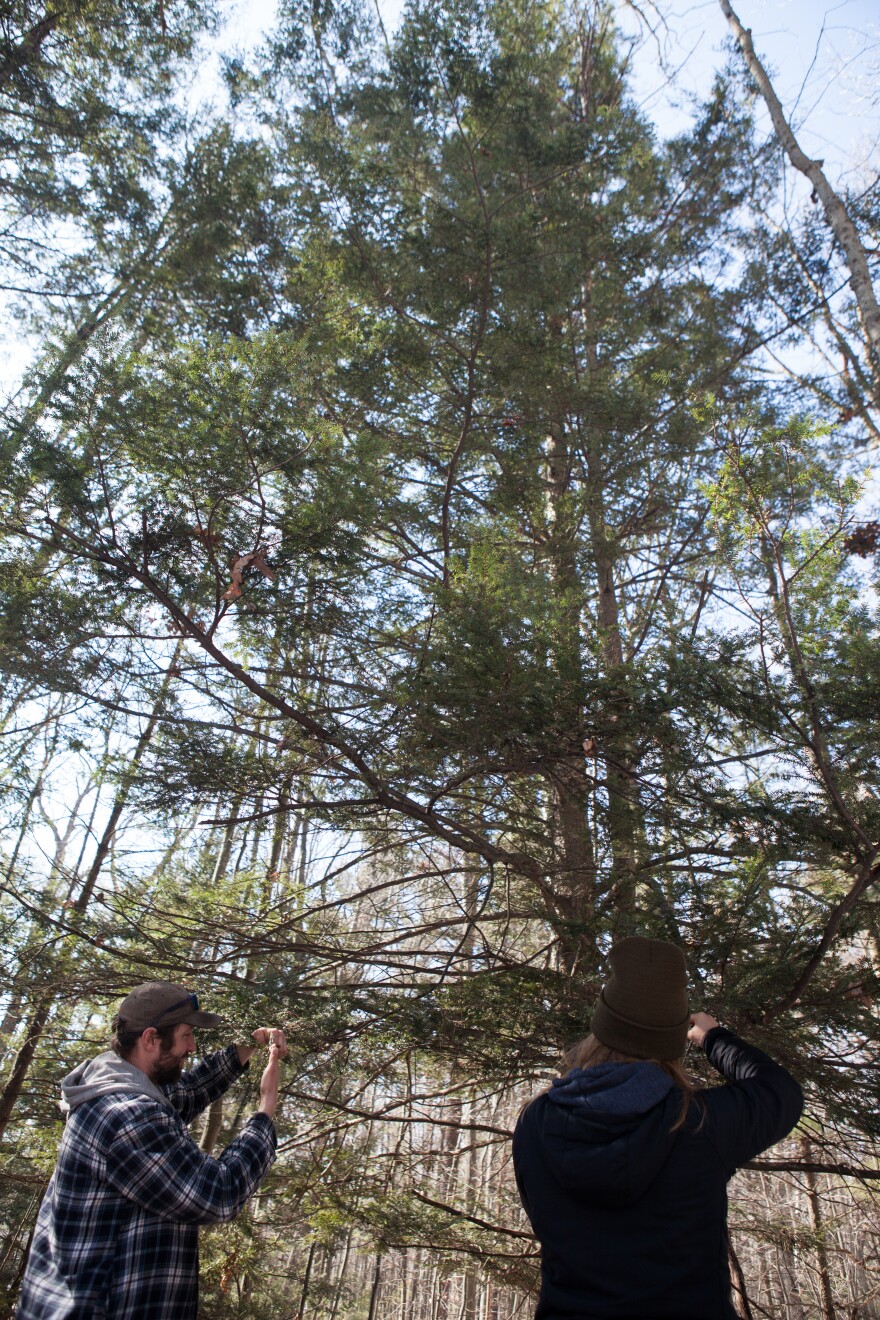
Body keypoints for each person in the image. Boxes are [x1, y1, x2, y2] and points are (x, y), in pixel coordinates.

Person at [512, 936, 803, 1319]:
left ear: (599, 1026)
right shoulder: (700, 1122)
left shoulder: (536, 1122)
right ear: (672, 1040)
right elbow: (779, 1091)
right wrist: (714, 1038)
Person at [17, 981, 287, 1320]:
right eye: (186, 1035)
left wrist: (248, 1047)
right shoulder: (127, 1115)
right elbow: (219, 1193)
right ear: (150, 1039)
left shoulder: (117, 1087)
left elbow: (184, 1095)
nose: (192, 1046)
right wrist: (265, 1110)